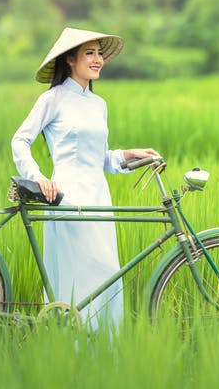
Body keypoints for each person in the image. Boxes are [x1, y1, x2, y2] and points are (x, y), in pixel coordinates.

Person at [11, 27, 159, 333]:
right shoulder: (52, 99)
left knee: (106, 277)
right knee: (83, 275)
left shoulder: (98, 104)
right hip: (67, 196)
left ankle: (102, 357)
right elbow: (19, 141)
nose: (98, 60)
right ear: (70, 59)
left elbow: (101, 158)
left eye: (100, 53)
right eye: (89, 53)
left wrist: (131, 154)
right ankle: (70, 347)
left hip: (99, 197)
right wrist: (38, 178)